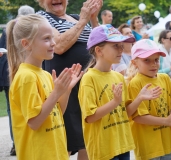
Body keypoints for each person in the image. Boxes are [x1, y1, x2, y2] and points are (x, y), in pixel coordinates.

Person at [78, 24, 162, 160]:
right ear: (99, 50)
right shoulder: (89, 78)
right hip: (104, 149)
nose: (121, 50)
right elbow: (90, 117)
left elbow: (126, 113)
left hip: (123, 143)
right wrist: (114, 102)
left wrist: (139, 98)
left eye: (121, 46)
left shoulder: (118, 76)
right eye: (115, 46)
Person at [7, 14, 83, 160]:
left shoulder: (45, 74)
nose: (53, 43)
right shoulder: (26, 77)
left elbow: (57, 112)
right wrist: (56, 93)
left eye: (52, 37)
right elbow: (35, 122)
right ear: (26, 44)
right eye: (46, 39)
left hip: (56, 153)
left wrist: (65, 91)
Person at [36, 0, 102, 158]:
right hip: (65, 82)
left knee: (86, 136)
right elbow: (58, 46)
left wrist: (93, 18)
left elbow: (101, 42)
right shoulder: (42, 18)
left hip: (87, 81)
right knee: (65, 134)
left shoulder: (75, 17)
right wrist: (83, 20)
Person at [126, 39, 171, 160]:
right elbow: (138, 117)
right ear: (135, 62)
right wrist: (167, 121)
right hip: (149, 144)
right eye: (147, 60)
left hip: (167, 139)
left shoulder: (165, 78)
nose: (153, 64)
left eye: (156, 60)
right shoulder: (135, 83)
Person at [0, 5, 35, 156]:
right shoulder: (32, 30)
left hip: (9, 75)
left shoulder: (8, 29)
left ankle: (17, 143)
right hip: (26, 73)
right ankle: (27, 142)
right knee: (31, 108)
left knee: (12, 110)